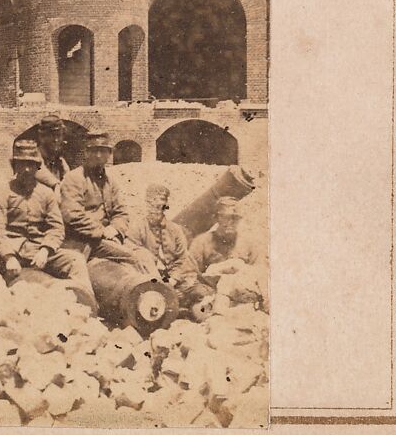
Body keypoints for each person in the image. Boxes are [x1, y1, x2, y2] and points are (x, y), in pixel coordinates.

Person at [0, 140, 93, 298]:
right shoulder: (2, 192)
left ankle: (85, 302)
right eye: (22, 164)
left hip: (39, 250)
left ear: (38, 167)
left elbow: (56, 228)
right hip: (9, 250)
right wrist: (9, 256)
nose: (27, 169)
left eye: (31, 164)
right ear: (14, 166)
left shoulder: (46, 194)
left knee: (76, 260)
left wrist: (45, 250)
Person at [124, 183, 214, 316]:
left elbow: (182, 258)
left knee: (201, 295)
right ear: (147, 204)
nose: (156, 210)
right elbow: (131, 254)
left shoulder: (175, 230)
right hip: (150, 281)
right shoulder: (137, 228)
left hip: (177, 281)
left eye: (160, 206)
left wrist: (173, 279)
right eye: (152, 205)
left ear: (165, 206)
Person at [58, 131, 147, 267]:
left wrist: (115, 229)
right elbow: (72, 215)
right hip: (83, 241)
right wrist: (102, 232)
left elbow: (121, 212)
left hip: (109, 238)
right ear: (86, 153)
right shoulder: (74, 178)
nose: (98, 156)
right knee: (134, 259)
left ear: (109, 154)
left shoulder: (110, 182)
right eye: (94, 151)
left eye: (103, 151)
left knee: (146, 255)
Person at [188, 196, 259, 277]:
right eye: (226, 217)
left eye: (235, 218)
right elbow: (191, 274)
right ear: (216, 218)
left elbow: (257, 274)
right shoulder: (201, 243)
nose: (231, 222)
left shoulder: (248, 244)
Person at [34, 114, 71, 188]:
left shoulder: (60, 161)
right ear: (42, 137)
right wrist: (56, 184)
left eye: (59, 135)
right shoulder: (33, 156)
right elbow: (39, 170)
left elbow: (68, 178)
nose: (56, 140)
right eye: (52, 136)